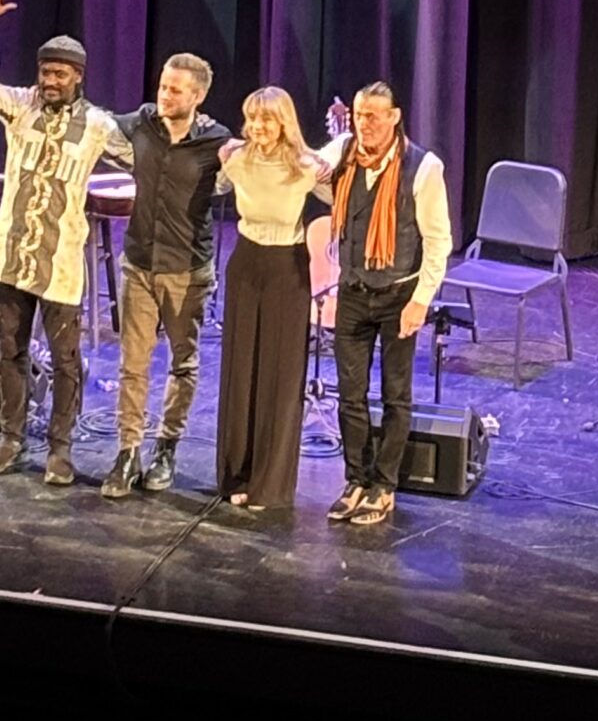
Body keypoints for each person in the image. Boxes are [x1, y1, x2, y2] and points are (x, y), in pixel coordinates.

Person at [0, 0, 119, 485]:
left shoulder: (97, 125)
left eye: (60, 73)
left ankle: (60, 449)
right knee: (9, 350)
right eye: (45, 71)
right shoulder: (19, 107)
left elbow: (145, 156)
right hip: (9, 254)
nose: (50, 80)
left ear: (78, 77)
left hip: (62, 263)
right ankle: (9, 438)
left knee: (66, 360)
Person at [320, 80, 452, 528]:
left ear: (395, 117)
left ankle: (385, 486)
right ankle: (356, 479)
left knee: (396, 396)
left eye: (375, 115)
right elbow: (309, 172)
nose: (366, 123)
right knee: (350, 395)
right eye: (360, 115)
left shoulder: (423, 167)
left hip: (399, 295)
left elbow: (438, 241)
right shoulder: (342, 152)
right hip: (354, 291)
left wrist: (420, 302)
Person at [100, 52, 231, 498]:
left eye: (175, 89)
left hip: (187, 271)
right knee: (132, 365)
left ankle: (167, 447)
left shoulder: (217, 142)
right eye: (162, 85)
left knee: (183, 364)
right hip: (138, 263)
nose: (164, 94)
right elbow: (95, 125)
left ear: (198, 96)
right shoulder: (141, 123)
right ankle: (128, 450)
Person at [215, 85, 330, 513]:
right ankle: (236, 475)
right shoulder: (239, 159)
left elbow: (341, 199)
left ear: (284, 123)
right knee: (241, 371)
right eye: (252, 118)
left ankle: (269, 483)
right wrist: (224, 152)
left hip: (287, 269)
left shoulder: (304, 166)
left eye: (267, 119)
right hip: (246, 264)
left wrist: (326, 167)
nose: (258, 127)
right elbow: (213, 183)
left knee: (279, 377)